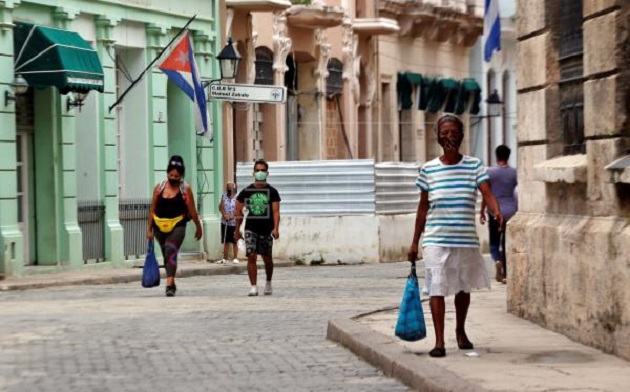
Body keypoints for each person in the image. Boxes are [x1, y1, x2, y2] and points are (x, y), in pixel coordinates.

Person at [407, 114, 503, 358]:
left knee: (462, 288)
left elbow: (487, 192)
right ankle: (439, 342)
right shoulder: (428, 169)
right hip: (435, 239)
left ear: (461, 136)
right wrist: (414, 242)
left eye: (454, 132)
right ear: (438, 137)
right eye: (445, 132)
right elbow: (422, 208)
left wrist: (496, 210)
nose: (449, 136)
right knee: (436, 286)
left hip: (464, 239)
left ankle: (460, 331)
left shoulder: (474, 165)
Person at [147, 155, 203, 297]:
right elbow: (152, 208)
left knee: (170, 250)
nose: (173, 178)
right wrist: (149, 229)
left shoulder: (185, 189)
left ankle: (169, 283)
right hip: (159, 225)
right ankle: (171, 279)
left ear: (181, 175)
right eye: (171, 175)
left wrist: (198, 226)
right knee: (166, 254)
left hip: (178, 224)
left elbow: (192, 209)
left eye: (176, 176)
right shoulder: (159, 188)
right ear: (167, 173)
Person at [234, 159, 281, 297]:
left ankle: (268, 282)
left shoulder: (272, 192)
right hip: (251, 228)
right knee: (251, 256)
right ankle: (253, 286)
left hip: (266, 228)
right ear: (253, 172)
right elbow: (238, 212)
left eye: (262, 170)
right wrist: (237, 231)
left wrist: (276, 228)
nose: (260, 173)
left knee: (267, 258)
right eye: (257, 170)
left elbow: (276, 212)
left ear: (267, 173)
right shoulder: (246, 191)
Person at [480, 145, 518, 284]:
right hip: (511, 211)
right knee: (506, 243)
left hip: (494, 211)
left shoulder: (490, 172)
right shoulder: (515, 173)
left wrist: (482, 210)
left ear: (496, 156)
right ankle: (507, 273)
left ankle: (497, 260)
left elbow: (486, 194)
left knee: (494, 243)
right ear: (508, 156)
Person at [217, 182, 239, 264]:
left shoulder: (237, 197)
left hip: (234, 222)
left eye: (230, 187)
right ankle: (224, 258)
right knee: (226, 240)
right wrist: (224, 215)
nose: (229, 189)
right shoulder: (224, 196)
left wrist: (233, 215)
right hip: (225, 221)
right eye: (228, 187)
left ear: (234, 188)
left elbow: (238, 209)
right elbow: (221, 207)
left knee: (234, 240)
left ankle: (235, 257)